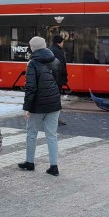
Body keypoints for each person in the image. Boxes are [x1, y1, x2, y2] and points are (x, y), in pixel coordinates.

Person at [19, 36, 62, 176]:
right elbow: (56, 82)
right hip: (54, 104)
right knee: (52, 136)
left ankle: (30, 162)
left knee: (32, 134)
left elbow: (30, 87)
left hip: (37, 105)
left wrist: (26, 107)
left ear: (33, 48)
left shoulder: (32, 64)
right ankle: (54, 167)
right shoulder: (56, 61)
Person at [49, 34, 69, 126]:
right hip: (57, 79)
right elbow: (61, 66)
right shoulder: (58, 52)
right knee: (56, 100)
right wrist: (65, 75)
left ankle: (49, 119)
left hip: (50, 79)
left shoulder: (49, 50)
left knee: (50, 98)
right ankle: (54, 119)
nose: (63, 44)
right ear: (59, 42)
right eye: (62, 42)